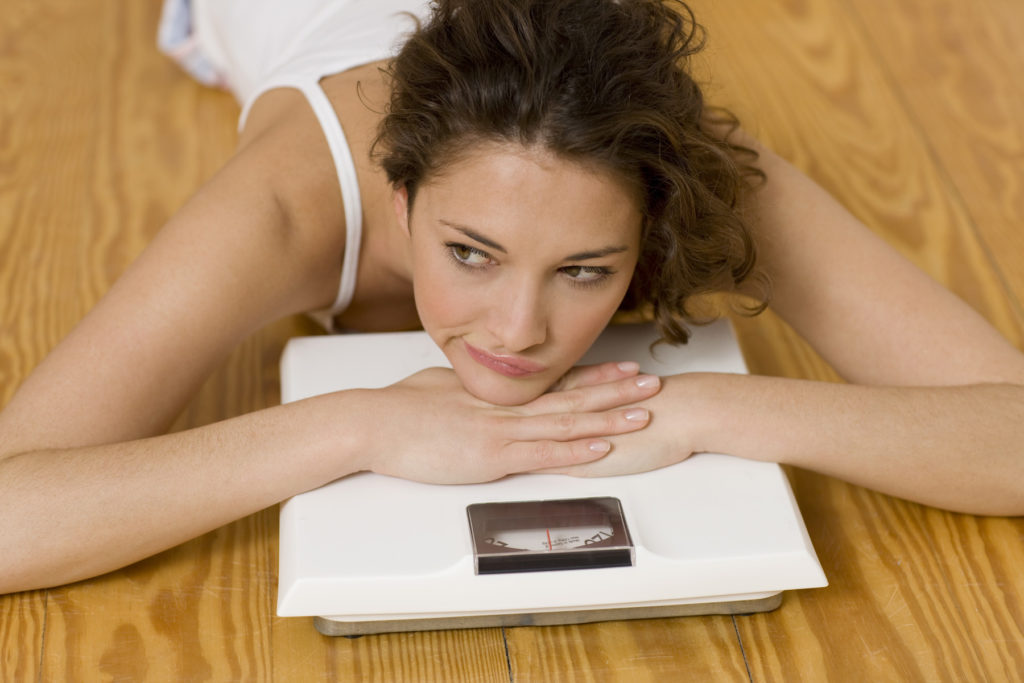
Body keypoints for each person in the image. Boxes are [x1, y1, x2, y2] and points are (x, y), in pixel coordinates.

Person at [1, 0, 1021, 596]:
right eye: (470, 251)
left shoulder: (688, 174)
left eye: (584, 269)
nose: (518, 333)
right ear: (397, 191)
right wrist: (356, 426)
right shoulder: (285, 206)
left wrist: (703, 410)